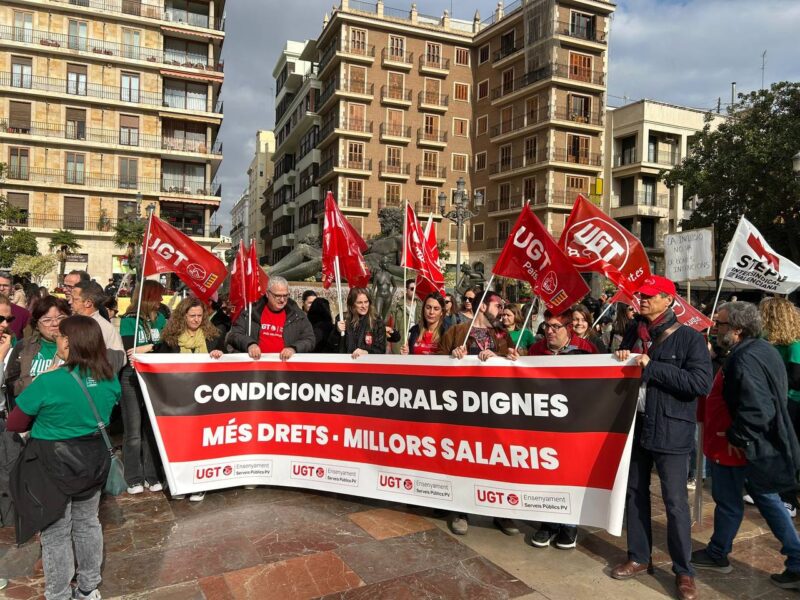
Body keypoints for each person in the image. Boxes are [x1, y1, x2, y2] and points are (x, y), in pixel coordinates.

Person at [611, 275, 712, 600]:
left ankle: (684, 571)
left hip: (671, 428)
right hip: (636, 425)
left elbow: (700, 383)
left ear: (669, 300)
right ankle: (639, 556)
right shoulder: (633, 330)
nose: (642, 299)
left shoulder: (690, 338)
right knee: (635, 494)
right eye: (641, 295)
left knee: (675, 503)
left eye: (650, 296)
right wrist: (620, 356)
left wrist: (651, 366)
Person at [7, 315, 121, 600]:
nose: (56, 339)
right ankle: (88, 587)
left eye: (59, 335)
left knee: (56, 532)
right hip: (93, 460)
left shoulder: (49, 381)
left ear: (68, 342)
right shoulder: (109, 378)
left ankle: (58, 594)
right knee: (88, 523)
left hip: (51, 464)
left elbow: (15, 423)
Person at [691, 301, 800, 590]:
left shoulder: (745, 358)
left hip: (741, 447)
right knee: (763, 500)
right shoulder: (759, 349)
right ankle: (721, 551)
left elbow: (758, 408)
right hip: (751, 446)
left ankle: (721, 553)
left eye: (720, 324)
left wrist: (738, 437)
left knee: (740, 501)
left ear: (737, 329)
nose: (715, 328)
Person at [522, 309, 597, 549]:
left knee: (571, 474)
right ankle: (548, 523)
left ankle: (569, 524)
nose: (550, 331)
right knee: (546, 473)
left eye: (556, 327)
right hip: (544, 425)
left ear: (569, 328)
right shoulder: (536, 350)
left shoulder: (586, 349)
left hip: (575, 425)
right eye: (547, 326)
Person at [438, 290, 509, 536]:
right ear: (483, 307)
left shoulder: (502, 335)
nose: (501, 310)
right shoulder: (457, 331)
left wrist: (500, 357)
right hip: (463, 409)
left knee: (497, 459)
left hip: (494, 409)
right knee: (464, 459)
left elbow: (516, 363)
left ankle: (501, 512)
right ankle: (461, 510)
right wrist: (451, 357)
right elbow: (436, 361)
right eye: (497, 306)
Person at [153, 297, 225, 501]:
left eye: (200, 316)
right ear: (182, 316)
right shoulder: (170, 339)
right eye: (192, 315)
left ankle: (198, 483)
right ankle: (179, 482)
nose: (196, 319)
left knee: (200, 440)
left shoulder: (213, 337)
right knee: (179, 441)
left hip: (204, 398)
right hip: (178, 398)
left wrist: (220, 354)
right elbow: (159, 363)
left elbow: (226, 362)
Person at [119, 280, 167, 495]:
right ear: (147, 297)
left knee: (151, 429)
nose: (161, 300)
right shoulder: (129, 320)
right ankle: (133, 478)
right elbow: (130, 350)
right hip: (131, 379)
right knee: (133, 431)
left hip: (154, 379)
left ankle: (152, 475)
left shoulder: (162, 318)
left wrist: (149, 347)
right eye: (157, 296)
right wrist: (146, 349)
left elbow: (166, 346)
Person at [227, 276, 314, 361]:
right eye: (277, 296)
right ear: (267, 294)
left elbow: (310, 339)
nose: (282, 300)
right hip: (256, 365)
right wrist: (250, 344)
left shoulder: (297, 314)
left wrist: (293, 348)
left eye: (285, 295)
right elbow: (234, 335)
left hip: (286, 365)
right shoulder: (251, 312)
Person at [6, 296, 71, 406]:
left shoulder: (78, 344)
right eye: (47, 320)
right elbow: (11, 385)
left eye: (60, 318)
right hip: (32, 410)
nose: (55, 323)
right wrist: (38, 379)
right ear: (36, 324)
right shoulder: (23, 346)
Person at [72, 280, 125, 367]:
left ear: (88, 303)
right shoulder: (70, 323)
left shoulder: (105, 328)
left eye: (75, 299)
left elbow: (118, 360)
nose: (70, 302)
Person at [332, 288, 387, 358]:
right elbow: (331, 346)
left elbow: (381, 349)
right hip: (345, 362)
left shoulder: (377, 321)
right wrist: (336, 331)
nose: (364, 306)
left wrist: (366, 352)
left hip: (367, 363)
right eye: (359, 302)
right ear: (352, 304)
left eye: (366, 302)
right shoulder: (342, 318)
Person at [387, 279, 420, 353]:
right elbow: (390, 327)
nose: (414, 291)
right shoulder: (396, 307)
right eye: (412, 289)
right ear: (406, 290)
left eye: (416, 289)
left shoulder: (422, 306)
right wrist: (389, 345)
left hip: (416, 343)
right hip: (401, 344)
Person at [0, 271, 30, 339]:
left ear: (11, 288)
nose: (1, 289)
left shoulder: (23, 314)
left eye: (5, 285)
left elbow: (29, 340)